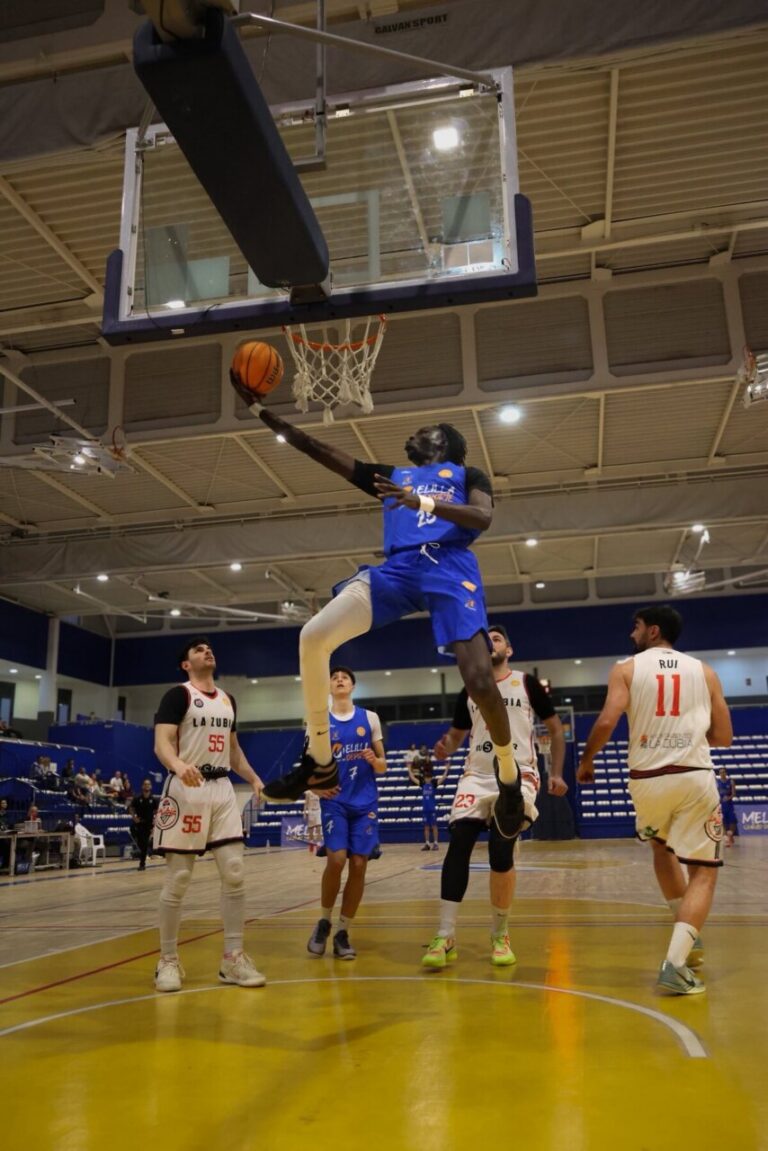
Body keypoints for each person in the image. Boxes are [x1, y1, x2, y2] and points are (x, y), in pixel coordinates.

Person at [233, 381, 525, 841]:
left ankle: (509, 778)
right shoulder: (393, 477)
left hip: (449, 568)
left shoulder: (468, 475)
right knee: (313, 635)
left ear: (444, 440)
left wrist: (424, 502)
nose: (412, 435)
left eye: (423, 430)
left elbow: (482, 519)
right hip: (399, 570)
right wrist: (260, 411)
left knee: (481, 681)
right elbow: (317, 449)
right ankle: (320, 761)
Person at [577, 604, 733, 996]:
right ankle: (676, 962)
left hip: (646, 779)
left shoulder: (625, 669)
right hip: (693, 776)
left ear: (652, 631)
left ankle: (687, 936)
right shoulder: (705, 671)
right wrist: (690, 739)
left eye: (636, 627)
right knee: (704, 871)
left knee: (661, 849)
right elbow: (725, 737)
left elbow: (608, 720)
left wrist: (587, 759)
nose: (632, 634)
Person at [422, 624, 567, 969]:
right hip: (477, 775)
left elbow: (557, 729)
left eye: (497, 639)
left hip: (518, 774)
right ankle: (446, 934)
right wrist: (446, 747)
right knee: (459, 842)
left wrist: (557, 771)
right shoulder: (470, 688)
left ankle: (500, 933)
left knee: (502, 853)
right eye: (487, 641)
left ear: (509, 649)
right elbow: (457, 735)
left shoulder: (526, 683)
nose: (491, 644)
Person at [153, 636, 266, 992]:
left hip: (222, 791)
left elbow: (233, 752)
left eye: (209, 648)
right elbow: (162, 743)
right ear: (186, 664)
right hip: (187, 787)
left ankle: (233, 959)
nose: (207, 651)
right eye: (198, 650)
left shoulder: (229, 700)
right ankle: (168, 960)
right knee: (179, 880)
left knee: (234, 872)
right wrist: (178, 764)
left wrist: (253, 777)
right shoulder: (178, 695)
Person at [306, 666, 386, 960]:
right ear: (329, 687)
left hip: (365, 802)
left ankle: (342, 931)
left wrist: (373, 759)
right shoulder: (319, 722)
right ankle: (324, 920)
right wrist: (316, 789)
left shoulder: (370, 718)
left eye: (345, 677)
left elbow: (383, 765)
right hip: (335, 801)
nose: (340, 679)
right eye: (335, 677)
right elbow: (308, 768)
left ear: (353, 685)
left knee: (360, 864)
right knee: (337, 859)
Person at [408, 752, 448, 851]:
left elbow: (443, 778)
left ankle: (435, 843)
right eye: (426, 777)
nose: (427, 779)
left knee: (434, 826)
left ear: (431, 777)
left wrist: (447, 768)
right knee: (426, 827)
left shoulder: (434, 784)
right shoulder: (422, 783)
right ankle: (427, 843)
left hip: (432, 809)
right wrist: (409, 769)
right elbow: (413, 778)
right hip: (425, 809)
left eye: (429, 777)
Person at [130, 778, 159, 870]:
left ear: (151, 786)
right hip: (139, 824)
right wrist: (134, 818)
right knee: (141, 843)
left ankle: (142, 864)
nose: (147, 786)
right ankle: (143, 859)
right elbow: (131, 808)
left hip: (148, 824)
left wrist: (155, 820)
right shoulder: (138, 798)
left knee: (145, 844)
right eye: (145, 784)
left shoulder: (153, 799)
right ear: (142, 786)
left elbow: (157, 811)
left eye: (148, 784)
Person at [717, 767, 737, 847]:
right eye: (720, 772)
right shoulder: (717, 783)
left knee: (733, 820)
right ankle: (727, 838)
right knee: (723, 821)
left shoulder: (731, 781)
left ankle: (730, 834)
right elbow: (716, 793)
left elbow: (734, 793)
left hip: (729, 804)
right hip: (721, 805)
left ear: (726, 773)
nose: (722, 774)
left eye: (723, 772)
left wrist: (728, 798)